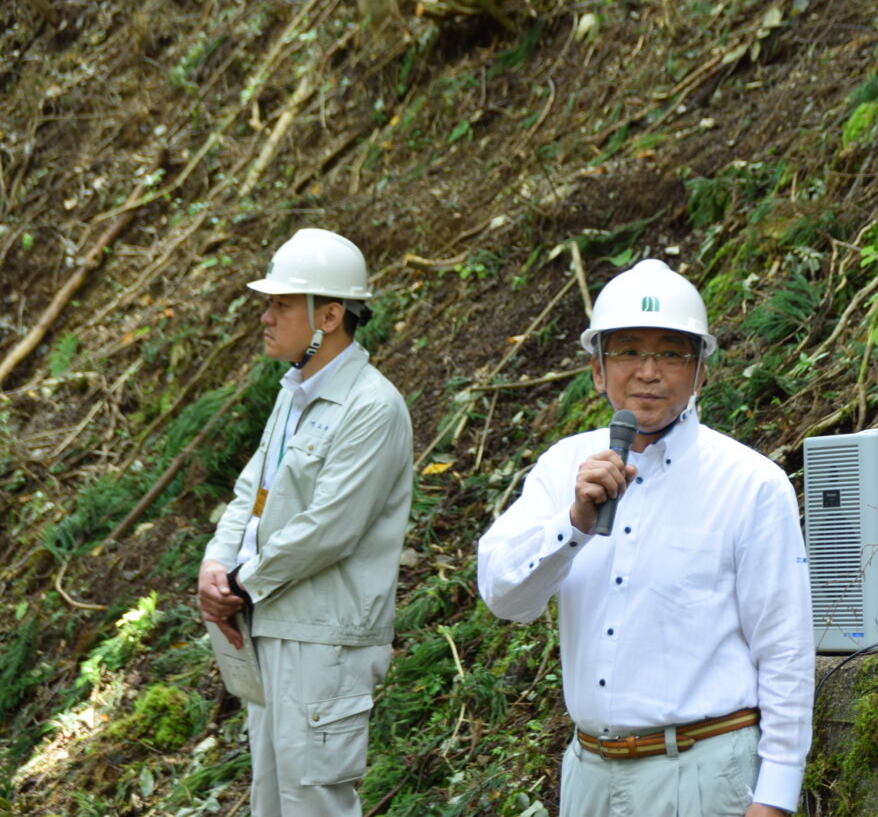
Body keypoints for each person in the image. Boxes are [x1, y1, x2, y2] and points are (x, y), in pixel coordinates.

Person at [477, 258, 813, 816]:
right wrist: (575, 524)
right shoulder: (563, 467)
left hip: (702, 774)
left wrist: (774, 799)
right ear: (597, 368)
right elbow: (504, 595)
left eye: (672, 352)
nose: (648, 371)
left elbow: (785, 651)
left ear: (700, 370)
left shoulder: (751, 483)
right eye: (628, 350)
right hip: (589, 775)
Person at [196, 228, 413, 817]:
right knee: (272, 804)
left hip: (326, 641)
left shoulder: (374, 406)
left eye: (280, 304)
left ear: (331, 315)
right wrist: (216, 564)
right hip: (272, 628)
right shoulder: (293, 396)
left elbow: (330, 528)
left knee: (313, 806)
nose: (265, 317)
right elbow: (251, 494)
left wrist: (241, 584)